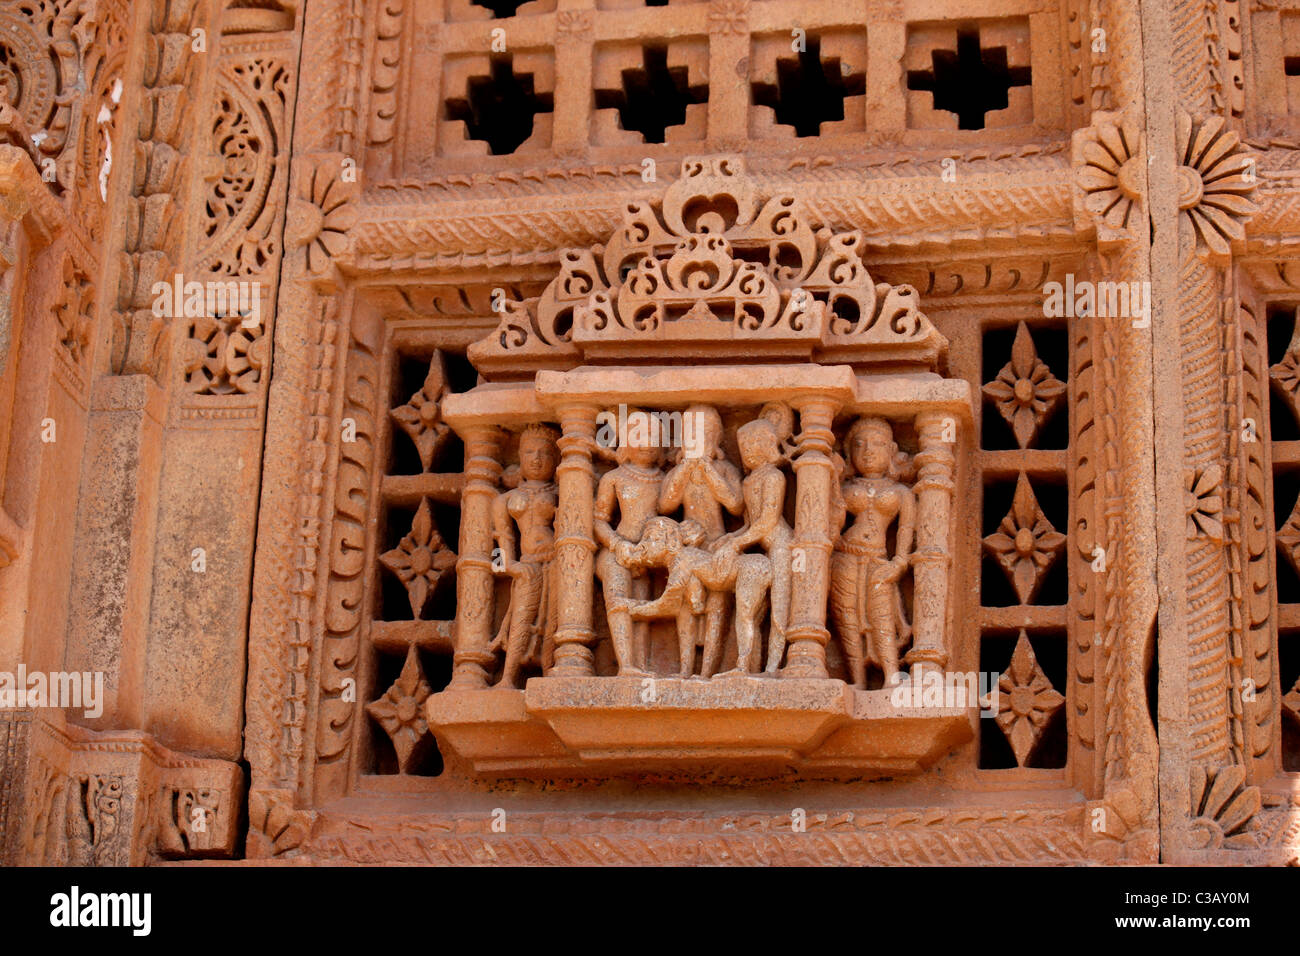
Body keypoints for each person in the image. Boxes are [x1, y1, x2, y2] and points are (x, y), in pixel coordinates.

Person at [828, 417, 915, 689]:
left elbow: (905, 531)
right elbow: (834, 521)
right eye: (859, 444)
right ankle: (857, 681)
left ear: (891, 451)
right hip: (845, 555)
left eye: (877, 444)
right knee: (847, 616)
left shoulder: (900, 492)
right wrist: (832, 478)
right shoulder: (845, 487)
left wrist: (899, 562)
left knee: (882, 615)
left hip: (879, 558)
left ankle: (891, 675)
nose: (868, 450)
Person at [489, 424, 560, 689]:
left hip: (556, 562)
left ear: (556, 459)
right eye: (529, 452)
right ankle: (508, 677)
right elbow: (498, 544)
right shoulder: (505, 500)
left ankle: (548, 670)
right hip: (527, 566)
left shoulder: (560, 492)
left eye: (544, 453)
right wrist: (510, 566)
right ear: (520, 457)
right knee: (521, 617)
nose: (537, 458)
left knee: (554, 619)